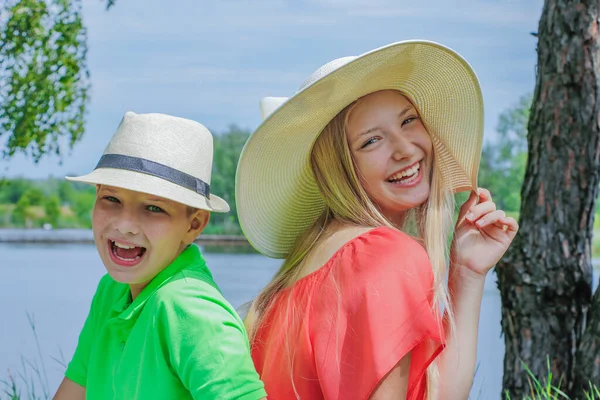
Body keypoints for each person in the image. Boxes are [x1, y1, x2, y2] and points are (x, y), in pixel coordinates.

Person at [235, 40, 518, 400]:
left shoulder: (299, 278)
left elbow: (438, 394)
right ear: (340, 168)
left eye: (408, 120)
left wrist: (467, 273)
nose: (405, 149)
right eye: (371, 141)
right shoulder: (383, 256)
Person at [53, 112, 266, 400]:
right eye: (111, 199)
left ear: (194, 225)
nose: (125, 224)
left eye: (154, 208)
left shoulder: (189, 309)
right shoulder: (111, 291)